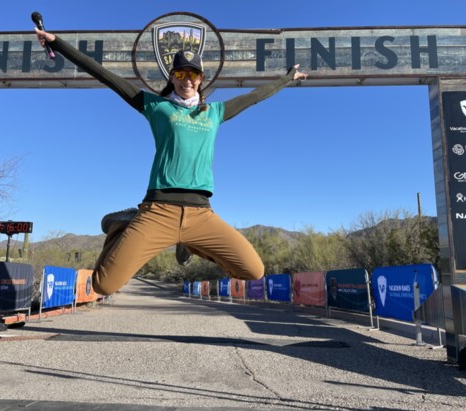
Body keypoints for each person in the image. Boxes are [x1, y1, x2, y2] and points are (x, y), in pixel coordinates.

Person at [35, 27, 308, 296]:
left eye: (192, 73)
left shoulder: (215, 113)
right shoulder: (157, 107)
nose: (186, 79)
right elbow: (105, 75)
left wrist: (287, 79)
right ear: (172, 76)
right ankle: (125, 223)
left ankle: (189, 244)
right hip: (158, 210)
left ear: (201, 78)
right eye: (180, 73)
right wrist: (57, 43)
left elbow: (254, 97)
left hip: (201, 214)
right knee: (102, 285)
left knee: (253, 270)